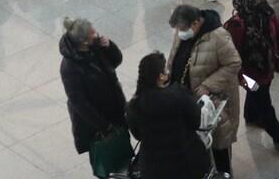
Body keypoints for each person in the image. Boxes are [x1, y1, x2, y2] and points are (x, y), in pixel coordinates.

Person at [169, 3, 241, 178]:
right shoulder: (182, 33)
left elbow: (233, 63)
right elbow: (174, 57)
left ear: (195, 23)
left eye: (182, 29)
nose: (179, 33)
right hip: (188, 100)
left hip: (214, 103)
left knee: (219, 146)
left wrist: (208, 86)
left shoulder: (218, 36)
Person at [225, 0, 279, 152]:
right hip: (266, 68)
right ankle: (277, 135)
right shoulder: (268, 15)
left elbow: (231, 53)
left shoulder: (235, 26)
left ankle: (252, 117)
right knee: (263, 101)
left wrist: (238, 76)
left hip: (248, 74)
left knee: (259, 95)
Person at [59, 17, 128, 176]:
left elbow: (115, 61)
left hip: (114, 110)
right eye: (92, 33)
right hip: (96, 123)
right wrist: (104, 126)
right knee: (106, 158)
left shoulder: (95, 47)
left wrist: (109, 47)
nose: (96, 34)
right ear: (83, 41)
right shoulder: (69, 67)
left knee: (121, 152)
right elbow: (79, 102)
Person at [126, 52, 212, 179]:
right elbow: (196, 121)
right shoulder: (178, 94)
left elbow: (138, 135)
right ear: (161, 76)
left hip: (153, 168)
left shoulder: (133, 105)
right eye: (165, 69)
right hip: (186, 162)